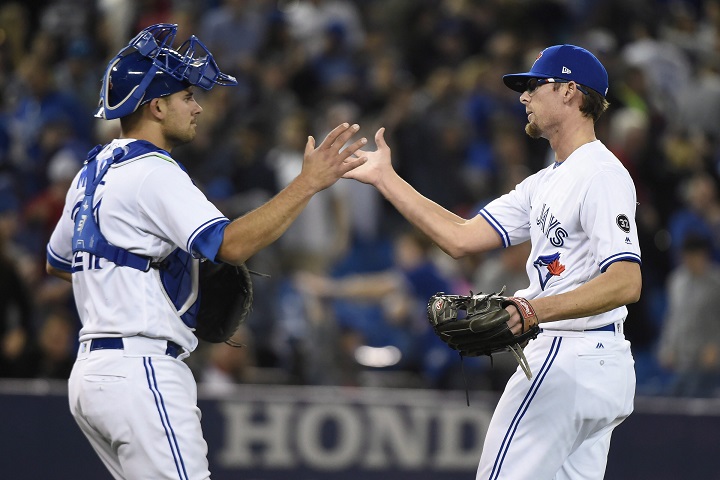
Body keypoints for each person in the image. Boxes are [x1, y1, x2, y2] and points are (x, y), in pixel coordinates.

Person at [44, 23, 366, 479]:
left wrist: (141, 271)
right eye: (187, 98)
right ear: (156, 106)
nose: (197, 108)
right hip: (141, 369)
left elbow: (59, 263)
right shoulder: (153, 171)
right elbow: (231, 245)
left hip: (91, 377)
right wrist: (308, 183)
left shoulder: (91, 172)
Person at [346, 44, 642, 480]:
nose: (524, 97)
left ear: (570, 92)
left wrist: (531, 310)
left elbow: (626, 282)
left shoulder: (600, 173)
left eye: (534, 86)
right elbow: (460, 238)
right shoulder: (547, 180)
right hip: (593, 366)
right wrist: (386, 179)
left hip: (568, 353)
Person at [657, 234, 720, 398]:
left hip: (707, 363)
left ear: (703, 255)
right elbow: (672, 318)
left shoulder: (716, 283)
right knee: (670, 402)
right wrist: (668, 347)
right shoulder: (676, 281)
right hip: (682, 362)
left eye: (694, 255)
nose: (689, 260)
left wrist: (716, 347)